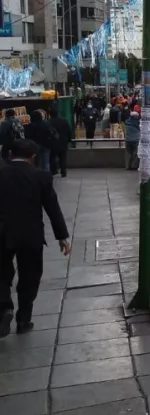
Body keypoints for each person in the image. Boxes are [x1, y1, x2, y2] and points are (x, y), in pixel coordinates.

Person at [0, 139, 71, 337]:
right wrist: (62, 236)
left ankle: (4, 308)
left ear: (10, 155)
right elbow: (52, 208)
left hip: (3, 233)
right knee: (30, 276)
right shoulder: (41, 176)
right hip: (31, 234)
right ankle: (24, 319)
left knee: (2, 274)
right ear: (32, 157)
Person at [49, 107, 72, 178]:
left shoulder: (49, 122)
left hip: (52, 143)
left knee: (52, 157)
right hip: (63, 142)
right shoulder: (64, 121)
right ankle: (63, 172)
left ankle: (54, 171)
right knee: (63, 158)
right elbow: (69, 131)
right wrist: (69, 139)